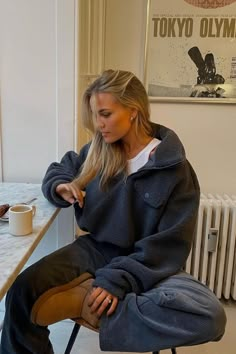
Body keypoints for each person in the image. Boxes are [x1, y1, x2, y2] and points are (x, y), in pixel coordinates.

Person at [0, 69, 226, 354]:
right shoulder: (97, 150)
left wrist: (116, 281)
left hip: (150, 263)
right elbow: (59, 169)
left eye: (105, 114)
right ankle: (98, 301)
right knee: (22, 292)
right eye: (95, 115)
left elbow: (169, 246)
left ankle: (88, 303)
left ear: (133, 110)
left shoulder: (174, 168)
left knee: (210, 316)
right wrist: (61, 186)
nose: (98, 124)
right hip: (94, 250)